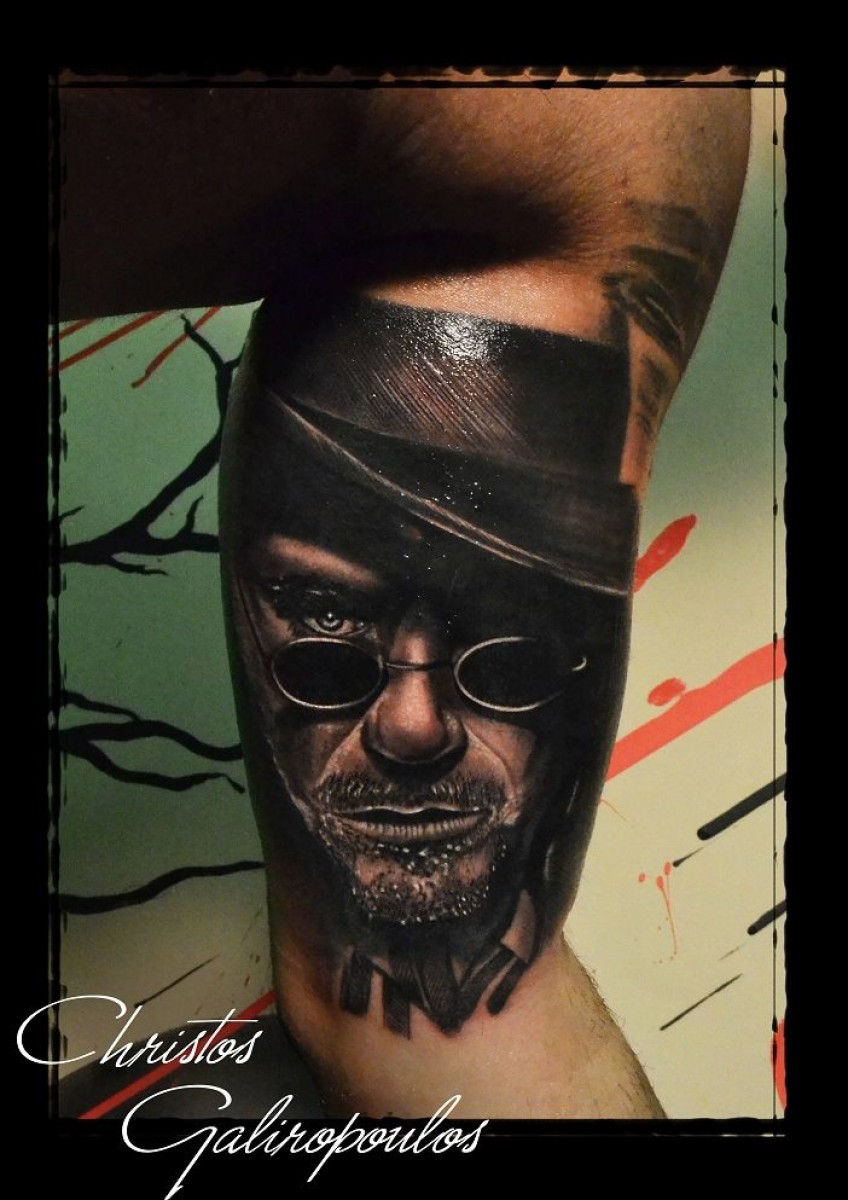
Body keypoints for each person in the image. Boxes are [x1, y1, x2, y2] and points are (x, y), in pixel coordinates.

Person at [52, 72, 753, 1120]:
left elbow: (441, 1033)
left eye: (502, 652)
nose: (413, 728)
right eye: (325, 630)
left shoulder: (574, 128)